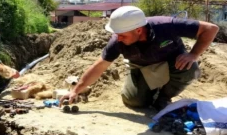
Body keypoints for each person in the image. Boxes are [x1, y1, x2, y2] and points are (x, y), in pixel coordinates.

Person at [60, 6, 219, 111]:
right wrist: (75, 90)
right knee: (134, 102)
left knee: (189, 67)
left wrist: (193, 54)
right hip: (141, 68)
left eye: (122, 34)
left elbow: (211, 29)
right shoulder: (118, 41)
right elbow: (100, 66)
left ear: (138, 30)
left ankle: (163, 98)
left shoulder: (166, 25)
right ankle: (149, 92)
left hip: (171, 63)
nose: (119, 38)